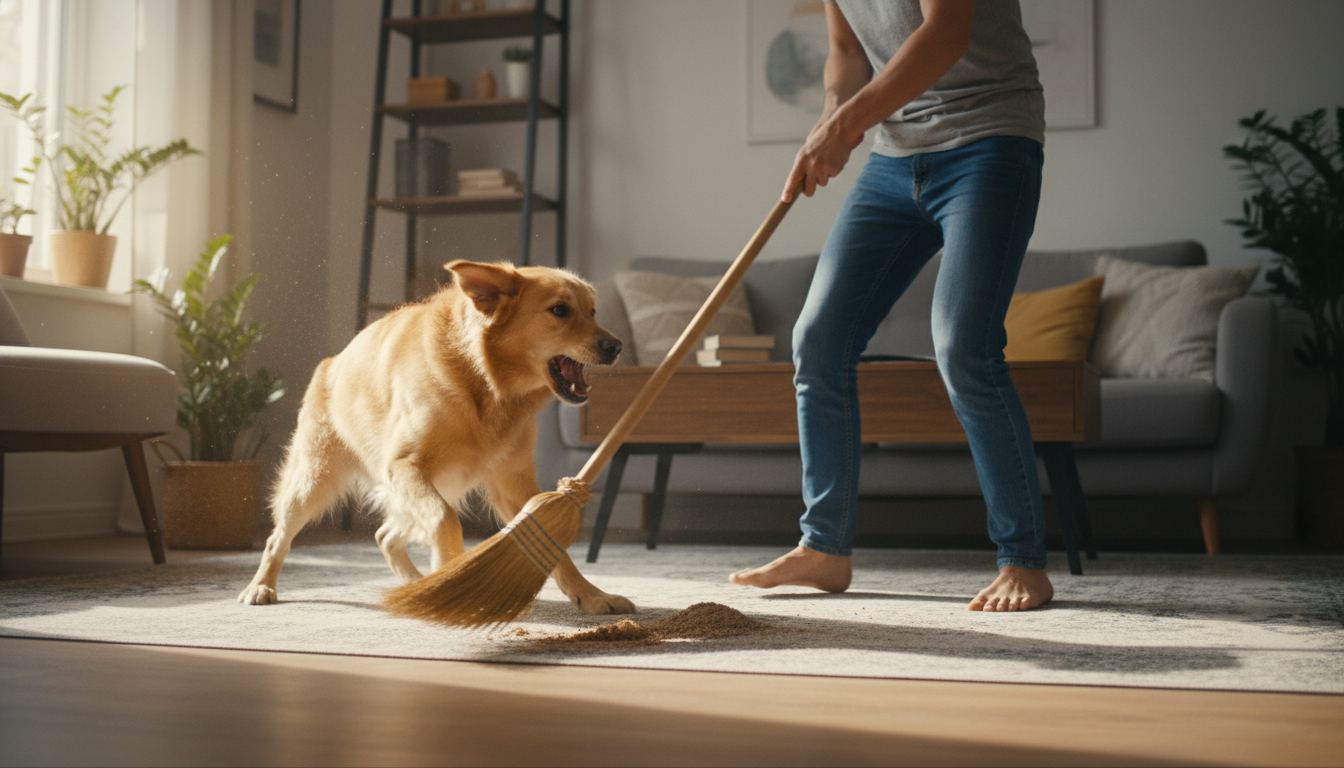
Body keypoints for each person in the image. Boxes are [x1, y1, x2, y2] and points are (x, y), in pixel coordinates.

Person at [730, 0, 1053, 611]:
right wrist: (828, 121)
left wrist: (846, 124)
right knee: (819, 341)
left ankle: (1024, 561)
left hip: (990, 142)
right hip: (894, 160)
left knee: (964, 347)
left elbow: (947, 33)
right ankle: (824, 548)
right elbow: (848, 53)